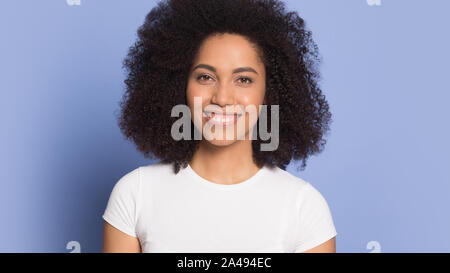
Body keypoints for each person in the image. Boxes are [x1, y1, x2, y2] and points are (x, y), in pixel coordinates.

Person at [102, 0, 337, 253]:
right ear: (179, 84)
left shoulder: (303, 207)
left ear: (270, 93)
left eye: (243, 79)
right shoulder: (135, 194)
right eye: (205, 77)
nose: (222, 98)